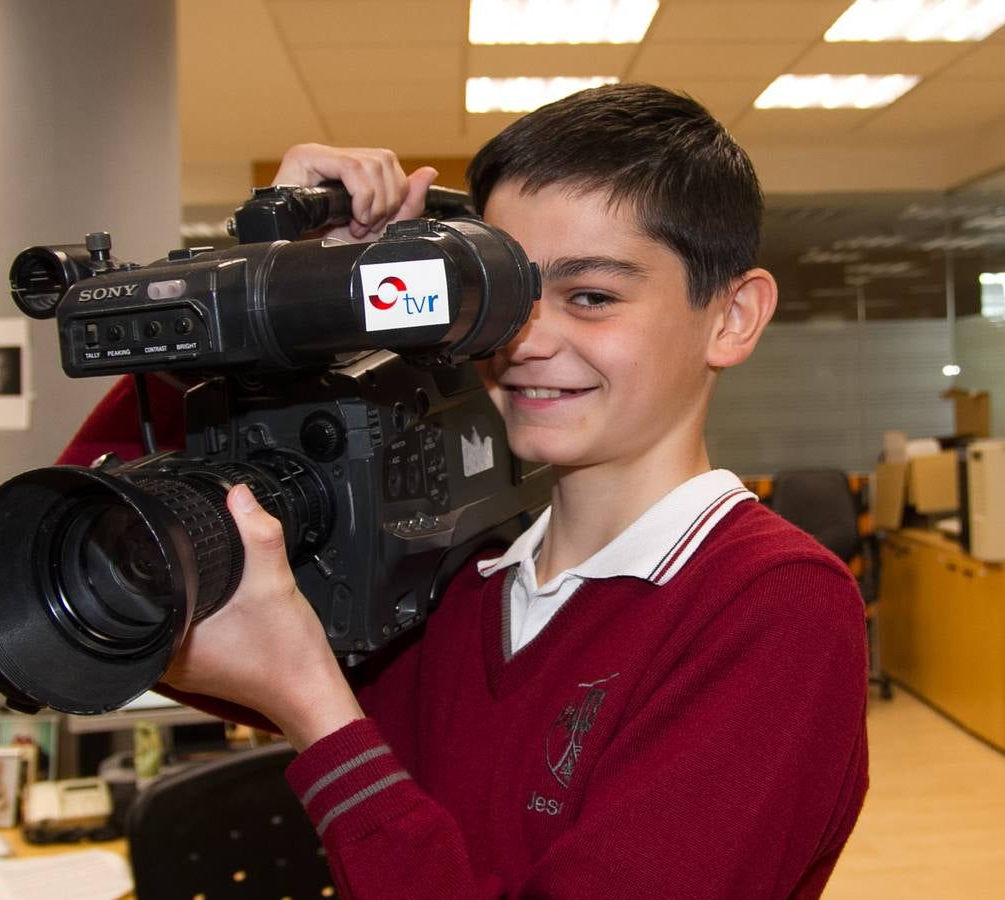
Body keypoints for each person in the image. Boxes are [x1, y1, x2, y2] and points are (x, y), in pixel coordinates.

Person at [60, 83, 868, 898]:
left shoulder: (775, 606)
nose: (527, 340)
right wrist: (300, 302)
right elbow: (105, 574)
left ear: (732, 317)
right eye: (504, 295)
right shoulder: (451, 592)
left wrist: (316, 707)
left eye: (591, 297)